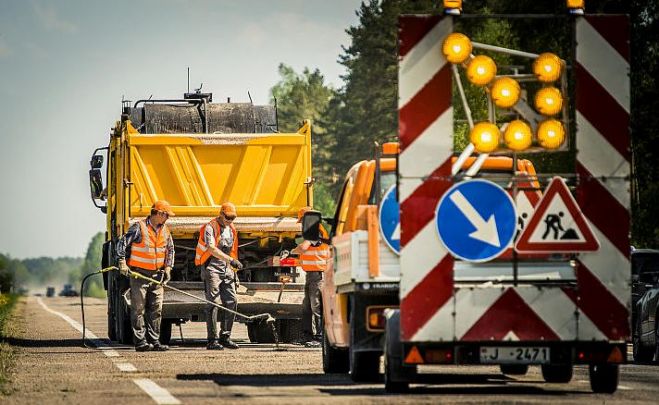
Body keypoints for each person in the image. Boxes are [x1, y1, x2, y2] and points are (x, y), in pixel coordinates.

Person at [117, 200, 175, 352]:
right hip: (139, 275)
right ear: (159, 214)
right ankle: (140, 341)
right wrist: (122, 262)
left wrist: (168, 268)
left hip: (157, 276)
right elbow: (122, 243)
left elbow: (170, 250)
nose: (168, 218)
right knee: (138, 309)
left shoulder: (165, 230)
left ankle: (155, 341)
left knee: (156, 309)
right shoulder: (139, 227)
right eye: (166, 215)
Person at [195, 202, 243, 350]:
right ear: (221, 214)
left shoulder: (231, 229)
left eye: (233, 218)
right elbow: (211, 249)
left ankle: (225, 336)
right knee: (213, 303)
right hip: (212, 267)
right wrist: (231, 261)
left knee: (232, 301)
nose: (230, 221)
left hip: (226, 269)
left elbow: (232, 251)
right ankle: (212, 340)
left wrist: (233, 270)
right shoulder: (210, 227)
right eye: (228, 217)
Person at [292, 206, 330, 348]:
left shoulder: (315, 231)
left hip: (318, 275)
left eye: (302, 220)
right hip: (311, 275)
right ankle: (307, 336)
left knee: (316, 307)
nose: (302, 223)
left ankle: (319, 338)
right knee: (307, 307)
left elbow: (303, 248)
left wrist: (291, 251)